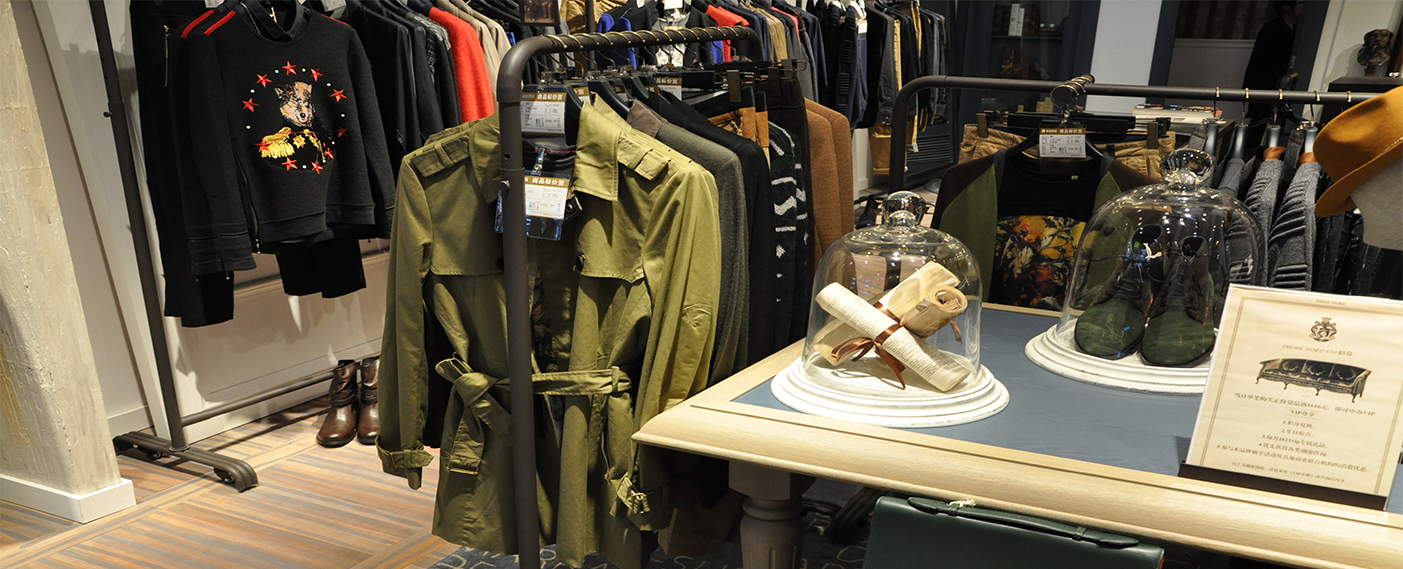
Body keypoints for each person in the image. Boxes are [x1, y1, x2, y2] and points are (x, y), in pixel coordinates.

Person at [1242, 1, 1301, 128]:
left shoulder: (1294, 28)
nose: (1302, 6)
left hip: (1276, 82)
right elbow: (1263, 61)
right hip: (1266, 82)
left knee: (1271, 118)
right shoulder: (1273, 28)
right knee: (1261, 118)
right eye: (1299, 3)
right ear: (1286, 6)